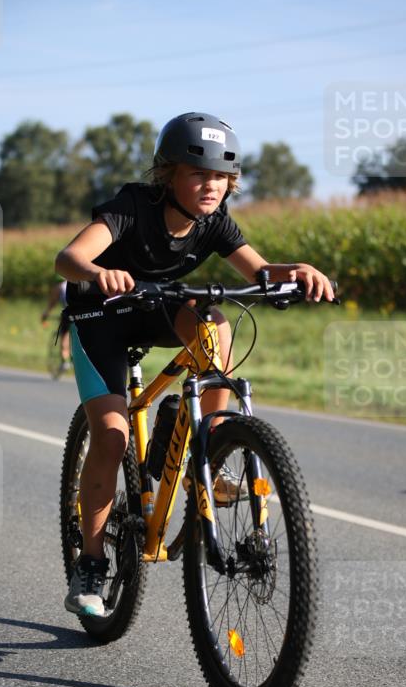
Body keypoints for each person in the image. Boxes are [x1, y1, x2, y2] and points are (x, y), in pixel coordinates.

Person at [55, 111, 334, 618]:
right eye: (198, 174)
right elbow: (68, 258)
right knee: (113, 436)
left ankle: (211, 448)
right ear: (168, 176)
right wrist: (100, 272)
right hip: (102, 315)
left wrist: (294, 271)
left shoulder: (215, 222)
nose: (211, 187)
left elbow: (261, 270)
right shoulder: (132, 208)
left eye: (222, 177)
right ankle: (91, 565)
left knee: (218, 326)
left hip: (159, 306)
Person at [41, 280, 71, 372]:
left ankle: (65, 361)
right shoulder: (77, 281)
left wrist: (45, 314)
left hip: (68, 313)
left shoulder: (60, 287)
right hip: (82, 313)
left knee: (64, 335)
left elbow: (52, 304)